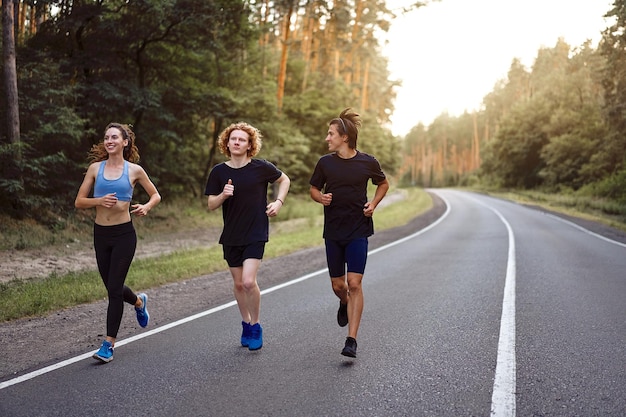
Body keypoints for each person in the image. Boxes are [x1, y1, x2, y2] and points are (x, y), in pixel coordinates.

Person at [75, 122, 161, 363]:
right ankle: (138, 301)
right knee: (113, 286)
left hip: (124, 235)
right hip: (100, 235)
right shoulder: (95, 168)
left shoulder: (134, 170)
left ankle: (108, 344)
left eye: (114, 137)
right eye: (106, 137)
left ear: (125, 142)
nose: (109, 140)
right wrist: (99, 201)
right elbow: (79, 201)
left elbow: (155, 195)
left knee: (114, 289)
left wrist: (146, 206)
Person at [309, 108, 389, 358]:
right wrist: (320, 197)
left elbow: (383, 184)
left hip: (358, 230)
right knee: (338, 285)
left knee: (354, 283)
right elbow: (313, 188)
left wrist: (373, 204)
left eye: (330, 134)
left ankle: (351, 340)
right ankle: (343, 302)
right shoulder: (325, 163)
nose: (327, 138)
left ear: (344, 137)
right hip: (333, 231)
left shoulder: (368, 162)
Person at [205, 121, 290, 351]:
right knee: (238, 284)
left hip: (256, 232)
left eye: (242, 139)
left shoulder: (260, 168)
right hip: (232, 234)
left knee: (248, 282)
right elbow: (211, 204)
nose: (236, 142)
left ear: (249, 144)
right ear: (227, 142)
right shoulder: (219, 172)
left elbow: (284, 179)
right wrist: (223, 194)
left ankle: (256, 325)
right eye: (233, 138)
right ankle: (245, 322)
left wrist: (278, 202)